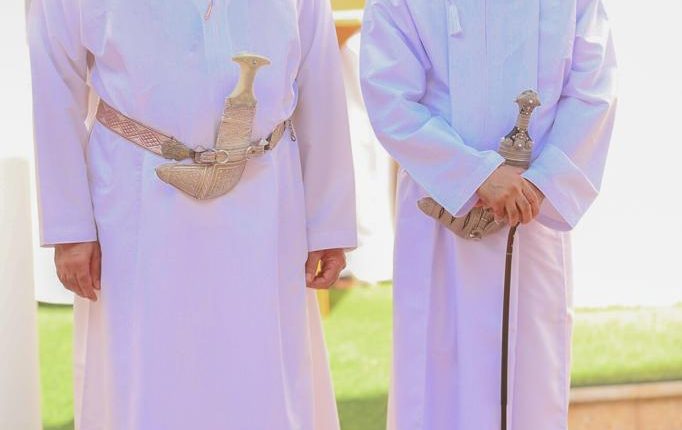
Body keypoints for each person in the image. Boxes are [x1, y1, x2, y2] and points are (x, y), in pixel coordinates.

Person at [28, 0, 356, 428]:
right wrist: (70, 228)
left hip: (267, 198)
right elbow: (54, 80)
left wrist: (329, 222)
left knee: (262, 364)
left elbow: (320, 77)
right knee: (146, 368)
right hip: (136, 200)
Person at [360, 1, 617, 429]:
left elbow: (593, 88)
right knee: (435, 378)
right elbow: (389, 94)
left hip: (532, 216)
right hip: (438, 207)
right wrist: (473, 175)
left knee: (529, 383)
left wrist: (541, 182)